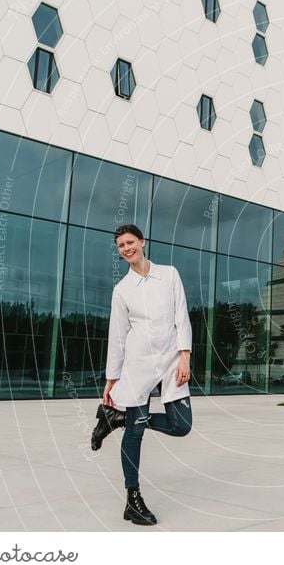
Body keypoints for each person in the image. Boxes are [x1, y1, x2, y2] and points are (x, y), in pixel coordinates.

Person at [90, 224, 194, 526]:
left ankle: (118, 418)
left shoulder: (169, 274)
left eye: (130, 242)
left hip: (172, 361)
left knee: (181, 425)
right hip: (138, 364)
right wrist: (112, 379)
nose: (126, 248)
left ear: (142, 242)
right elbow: (118, 336)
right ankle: (132, 499)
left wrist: (184, 356)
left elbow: (181, 316)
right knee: (135, 434)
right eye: (121, 245)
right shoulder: (121, 290)